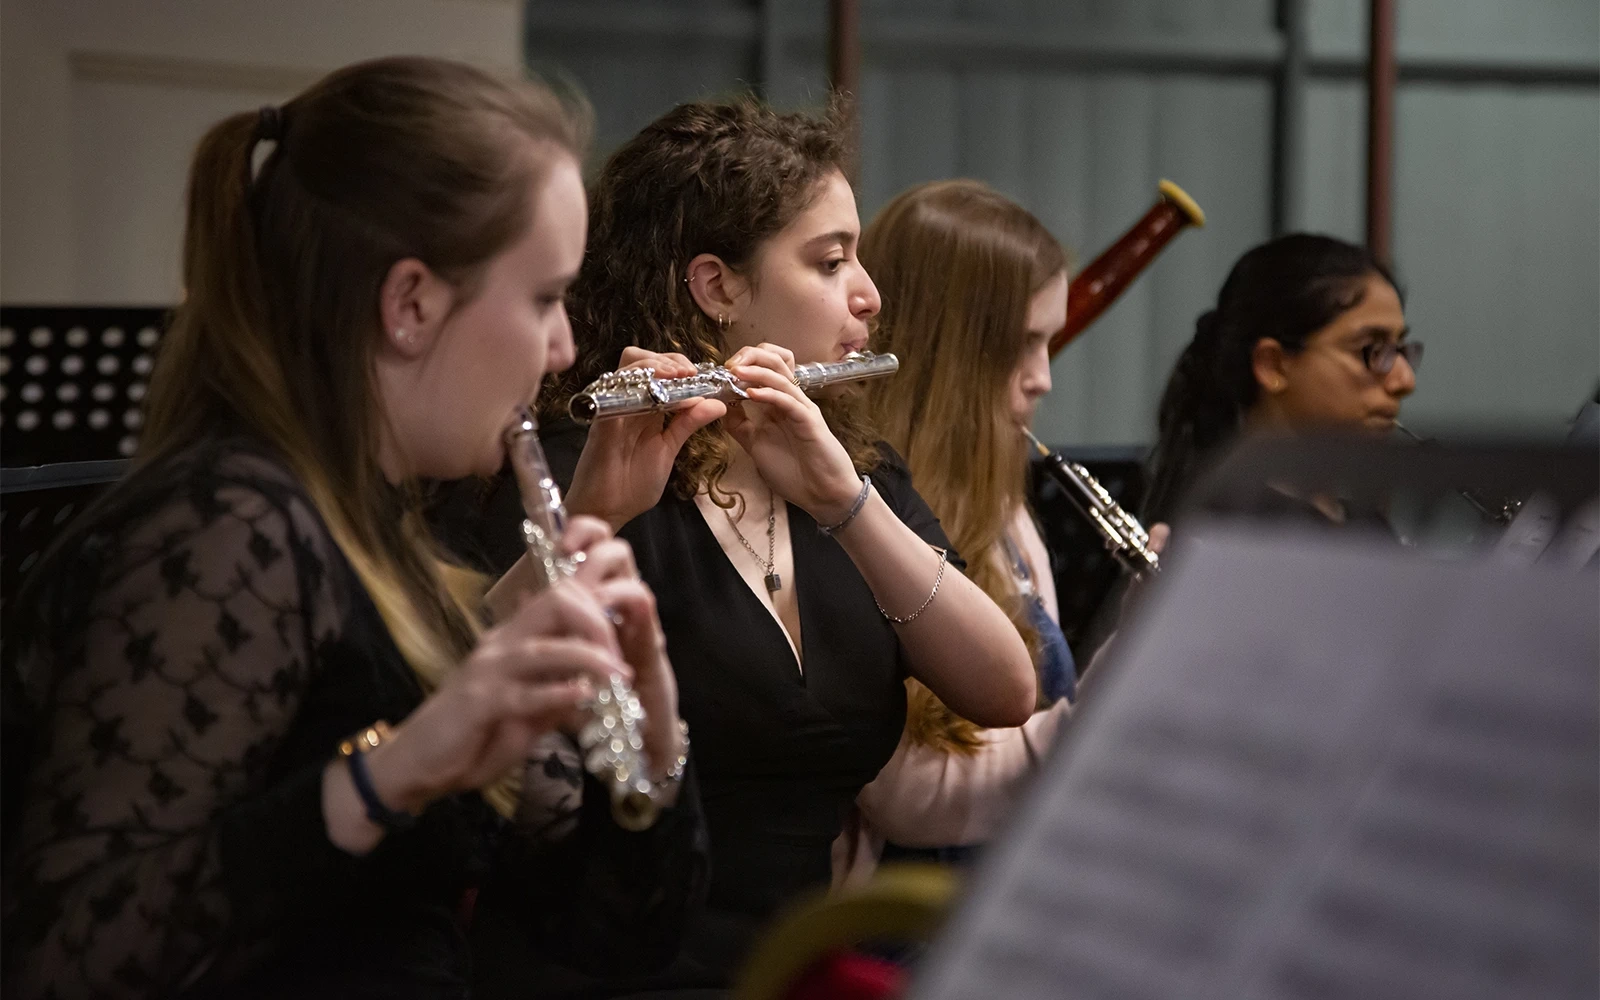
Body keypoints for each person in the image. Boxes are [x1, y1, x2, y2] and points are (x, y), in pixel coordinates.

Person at [2, 57, 705, 999]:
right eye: (543, 298)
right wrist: (392, 772)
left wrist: (653, 744)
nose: (565, 349)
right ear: (410, 303)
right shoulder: (227, 530)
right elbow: (60, 960)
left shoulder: (388, 542)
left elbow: (612, 937)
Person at [432, 98, 1036, 991]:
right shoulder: (564, 465)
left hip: (789, 970)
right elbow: (440, 705)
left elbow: (1005, 689)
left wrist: (844, 502)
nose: (869, 292)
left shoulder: (850, 466)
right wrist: (595, 512)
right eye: (832, 262)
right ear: (716, 287)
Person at [829, 180, 1077, 882]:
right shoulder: (852, 516)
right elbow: (910, 799)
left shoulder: (1007, 515)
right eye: (1024, 345)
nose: (1043, 379)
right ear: (953, 356)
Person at [1142, 232, 1419, 526]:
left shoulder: (1365, 524)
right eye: (1372, 351)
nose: (1405, 381)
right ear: (1272, 365)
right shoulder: (1227, 532)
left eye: (1400, 350)